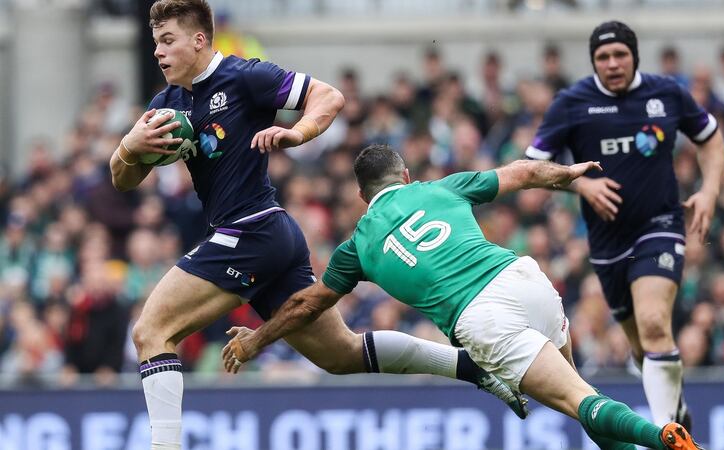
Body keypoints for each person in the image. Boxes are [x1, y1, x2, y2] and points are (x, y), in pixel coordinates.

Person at [109, 1, 526, 448]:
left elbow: (329, 97)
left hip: (250, 230)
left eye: (167, 40)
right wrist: (129, 148)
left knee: (150, 331)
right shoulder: (166, 103)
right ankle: (474, 369)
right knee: (342, 354)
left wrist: (297, 132)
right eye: (155, 43)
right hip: (268, 237)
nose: (158, 52)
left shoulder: (244, 76)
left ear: (199, 39)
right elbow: (124, 180)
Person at [222, 144, 702, 450]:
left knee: (579, 402)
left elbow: (305, 304)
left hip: (483, 317)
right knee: (584, 396)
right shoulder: (441, 188)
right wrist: (566, 173)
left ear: (364, 197)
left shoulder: (358, 248)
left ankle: (663, 437)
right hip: (523, 279)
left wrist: (256, 340)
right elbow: (519, 173)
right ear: (405, 175)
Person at [525, 21, 724, 430]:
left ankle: (670, 430)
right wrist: (583, 187)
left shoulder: (666, 92)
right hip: (607, 241)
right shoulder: (572, 103)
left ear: (634, 55)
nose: (612, 63)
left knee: (655, 325)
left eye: (620, 55)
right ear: (593, 61)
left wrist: (709, 191)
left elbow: (711, 138)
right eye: (603, 57)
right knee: (642, 347)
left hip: (661, 223)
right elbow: (534, 167)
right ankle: (677, 405)